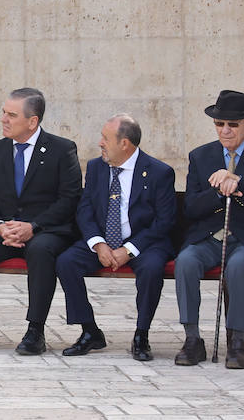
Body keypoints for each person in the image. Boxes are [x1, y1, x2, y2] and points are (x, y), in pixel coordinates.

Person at [0, 87, 80, 355]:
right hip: (4, 229)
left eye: (11, 115)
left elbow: (69, 199)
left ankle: (35, 331)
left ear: (32, 121)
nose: (4, 119)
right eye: (3, 113)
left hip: (44, 230)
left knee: (42, 251)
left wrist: (33, 227)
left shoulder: (62, 149)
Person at [173, 90, 244, 369]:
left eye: (232, 125)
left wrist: (239, 182)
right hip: (209, 237)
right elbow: (191, 209)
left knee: (237, 267)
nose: (225, 130)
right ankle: (192, 339)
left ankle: (237, 340)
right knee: (185, 261)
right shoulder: (200, 156)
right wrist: (219, 190)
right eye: (219, 124)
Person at [55, 113, 175, 362]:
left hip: (144, 242)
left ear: (125, 144)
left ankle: (142, 334)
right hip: (103, 242)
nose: (100, 143)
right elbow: (85, 209)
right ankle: (90, 331)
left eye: (105, 138)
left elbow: (164, 222)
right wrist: (98, 243)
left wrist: (129, 249)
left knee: (152, 268)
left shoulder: (158, 172)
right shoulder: (97, 167)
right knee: (66, 262)